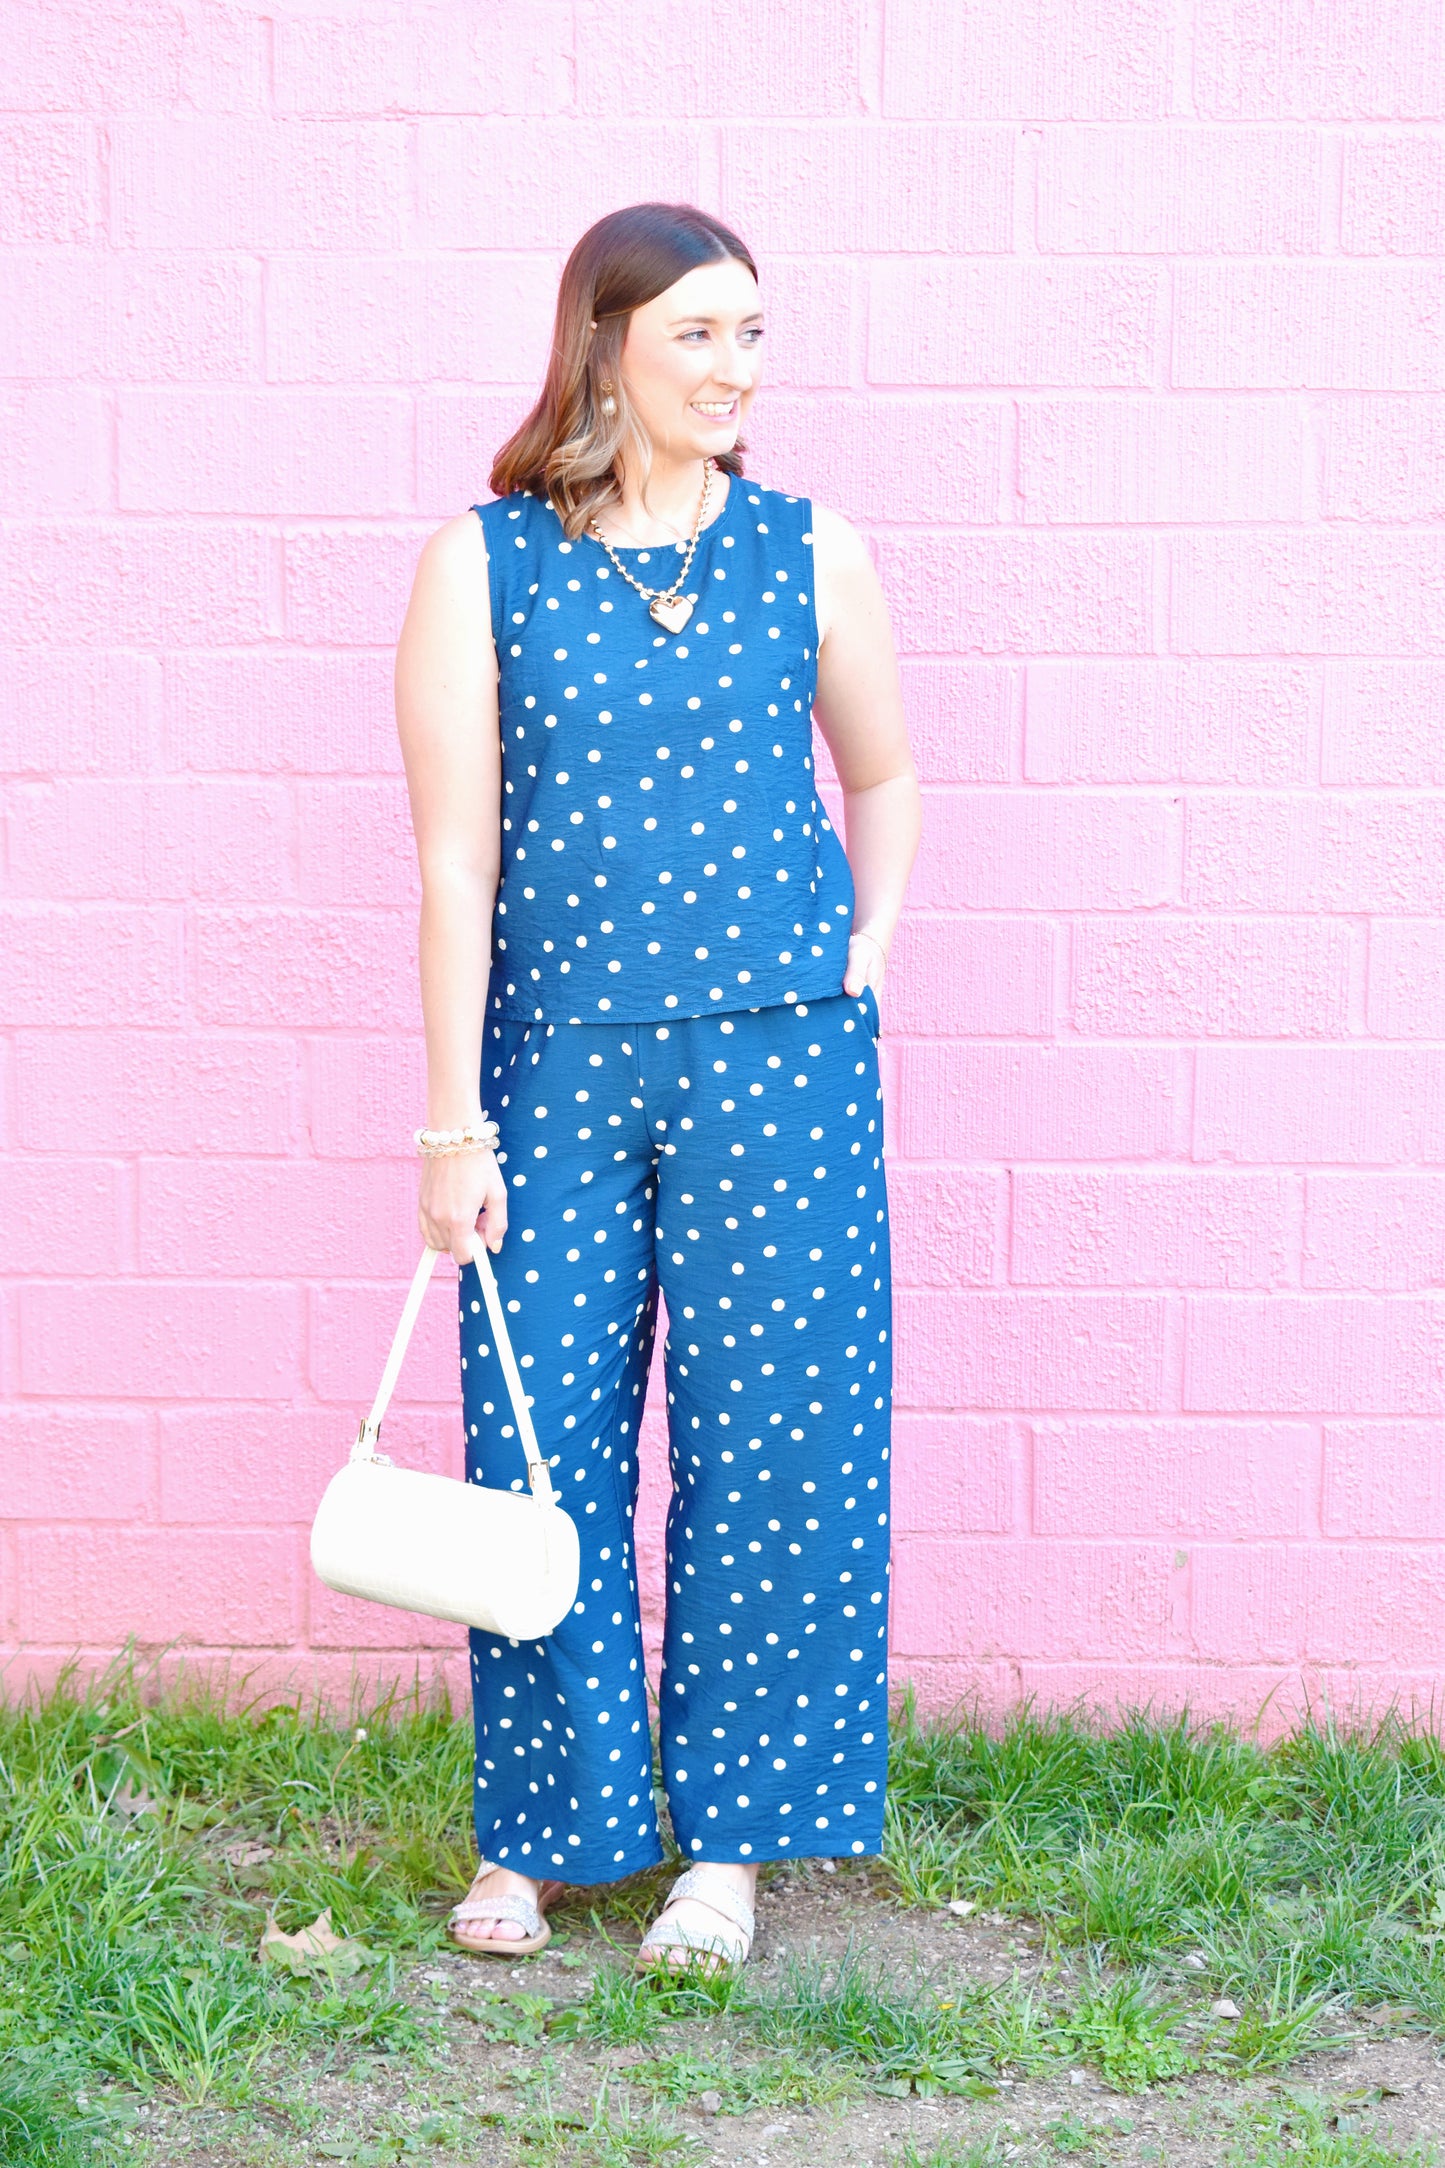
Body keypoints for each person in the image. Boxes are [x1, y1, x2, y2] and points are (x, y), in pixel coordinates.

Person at [393, 202, 919, 1973]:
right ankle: (545, 1839)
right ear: (604, 341)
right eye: (695, 331)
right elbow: (456, 857)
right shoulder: (487, 561)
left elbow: (888, 771)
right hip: (551, 1066)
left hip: (782, 1061)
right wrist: (452, 1121)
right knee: (538, 1438)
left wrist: (863, 948)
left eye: (752, 334)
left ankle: (736, 1849)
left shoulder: (808, 549)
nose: (731, 368)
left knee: (781, 1441)